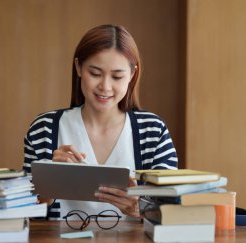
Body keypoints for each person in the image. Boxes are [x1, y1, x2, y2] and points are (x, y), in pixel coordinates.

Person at [23, 24, 178, 221]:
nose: (105, 87)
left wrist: (139, 208)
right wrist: (49, 183)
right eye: (95, 74)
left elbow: (171, 213)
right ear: (78, 67)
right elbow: (23, 211)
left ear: (132, 75)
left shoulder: (153, 131)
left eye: (117, 76)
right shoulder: (44, 129)